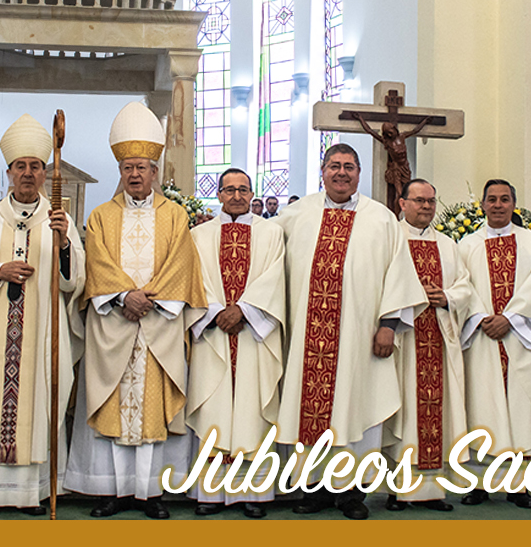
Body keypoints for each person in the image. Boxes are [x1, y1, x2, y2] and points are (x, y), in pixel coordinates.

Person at [243, 142, 424, 520]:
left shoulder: (381, 219)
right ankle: (313, 490)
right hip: (305, 337)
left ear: (359, 174)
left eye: (349, 167)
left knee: (358, 406)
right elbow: (267, 260)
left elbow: (399, 275)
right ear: (322, 172)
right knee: (308, 408)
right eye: (334, 166)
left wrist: (389, 325)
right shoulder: (295, 216)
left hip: (361, 339)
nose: (341, 173)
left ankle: (352, 493)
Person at [67, 102, 206, 519]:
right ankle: (114, 492)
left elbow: (181, 263)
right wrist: (124, 297)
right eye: (128, 168)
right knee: (113, 407)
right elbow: (97, 262)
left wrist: (150, 299)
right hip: (114, 325)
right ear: (121, 172)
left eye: (141, 167)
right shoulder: (101, 216)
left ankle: (151, 493)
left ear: (154, 172)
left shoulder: (175, 215)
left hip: (157, 328)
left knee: (152, 412)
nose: (134, 175)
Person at [0, 114, 85, 515]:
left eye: (36, 166)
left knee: (37, 401)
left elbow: (73, 280)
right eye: (21, 166)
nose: (28, 173)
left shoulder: (59, 220)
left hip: (41, 332)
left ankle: (30, 493)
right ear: (8, 171)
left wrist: (63, 246)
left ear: (45, 173)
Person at [184, 168, 282, 518]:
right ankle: (209, 496)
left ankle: (253, 494)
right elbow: (194, 279)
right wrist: (216, 313)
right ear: (219, 194)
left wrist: (242, 310)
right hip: (214, 334)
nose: (237, 196)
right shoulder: (198, 235)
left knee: (252, 410)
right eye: (230, 190)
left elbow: (275, 278)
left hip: (253, 335)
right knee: (215, 406)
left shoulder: (272, 233)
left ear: (252, 193)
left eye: (244, 189)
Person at [454, 179, 531, 509]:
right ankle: (481, 483)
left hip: (519, 339)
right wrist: (482, 317)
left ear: (514, 203)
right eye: (492, 200)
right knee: (482, 407)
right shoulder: (466, 245)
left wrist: (509, 319)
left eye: (504, 199)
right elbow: (461, 288)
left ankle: (520, 486)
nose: (498, 205)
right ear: (482, 205)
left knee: (519, 410)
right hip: (482, 337)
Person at [384, 178, 471, 512]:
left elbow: (465, 287)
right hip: (404, 341)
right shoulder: (391, 240)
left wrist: (446, 297)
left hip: (438, 336)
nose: (426, 207)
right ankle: (398, 490)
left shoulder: (449, 245)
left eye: (431, 201)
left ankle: (434, 491)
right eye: (419, 200)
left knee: (439, 411)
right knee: (403, 411)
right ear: (402, 204)